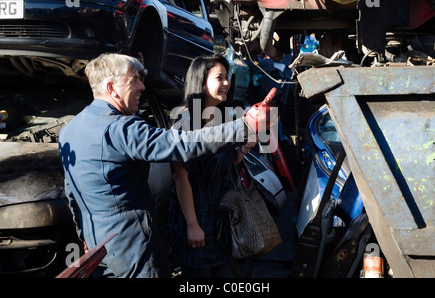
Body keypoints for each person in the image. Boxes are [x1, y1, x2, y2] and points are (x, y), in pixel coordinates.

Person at [58, 53, 275, 278]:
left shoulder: (70, 130)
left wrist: (85, 236)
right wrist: (246, 125)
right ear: (112, 88)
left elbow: (72, 192)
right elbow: (181, 144)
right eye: (135, 80)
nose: (143, 86)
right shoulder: (121, 129)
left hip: (99, 247)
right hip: (133, 250)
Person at [168, 54, 256, 278]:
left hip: (223, 215)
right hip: (195, 213)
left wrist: (244, 149)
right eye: (220, 77)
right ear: (201, 81)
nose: (226, 83)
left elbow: (227, 164)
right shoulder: (183, 120)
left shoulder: (223, 118)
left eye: (227, 77)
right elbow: (180, 177)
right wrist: (192, 225)